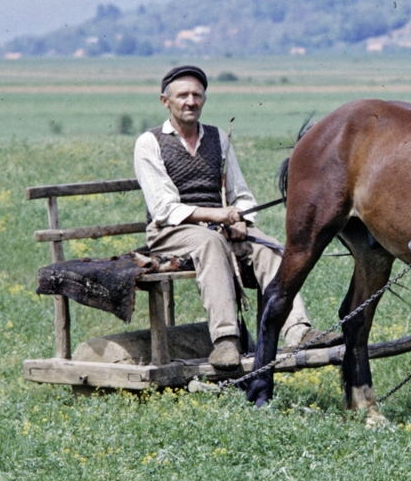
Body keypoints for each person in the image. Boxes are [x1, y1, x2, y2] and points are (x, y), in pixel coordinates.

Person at [133, 64, 312, 371]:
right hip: (171, 232)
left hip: (220, 228)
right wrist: (218, 215)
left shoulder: (219, 139)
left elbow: (241, 194)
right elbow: (164, 208)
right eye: (183, 95)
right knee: (210, 242)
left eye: (197, 95)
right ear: (166, 101)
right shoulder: (148, 143)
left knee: (271, 249)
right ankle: (226, 341)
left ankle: (298, 330)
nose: (191, 101)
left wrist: (241, 218)